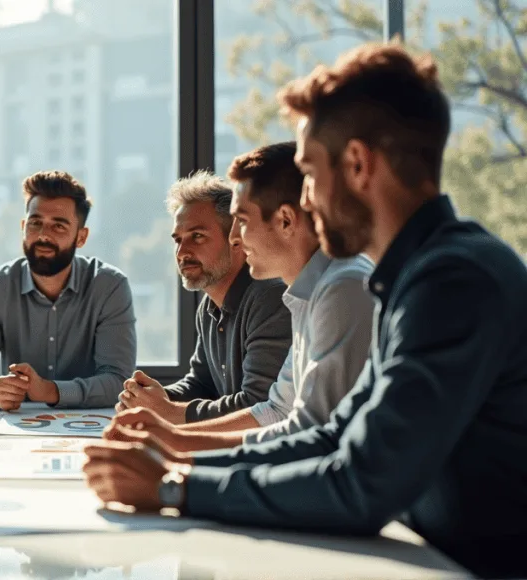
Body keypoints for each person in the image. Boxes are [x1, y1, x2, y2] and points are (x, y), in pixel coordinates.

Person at [82, 42, 527, 579]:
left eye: (311, 174)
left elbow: (363, 482)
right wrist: (179, 462)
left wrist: (175, 486)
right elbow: (331, 435)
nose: (307, 202)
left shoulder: (453, 281)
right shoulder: (411, 278)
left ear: (359, 164)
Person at [108, 142, 373, 452]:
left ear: (286, 221)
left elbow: (308, 432)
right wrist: (164, 418)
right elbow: (277, 412)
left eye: (242, 222)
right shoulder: (304, 295)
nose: (236, 237)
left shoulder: (338, 289)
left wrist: (177, 442)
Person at [0, 170, 136, 409]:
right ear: (23, 226)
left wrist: (50, 391)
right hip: (14, 427)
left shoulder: (110, 287)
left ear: (81, 237)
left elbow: (118, 381)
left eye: (58, 226)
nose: (43, 236)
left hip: (91, 429)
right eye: (35, 223)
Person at [116, 172, 291, 423]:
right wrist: (152, 398)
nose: (182, 252)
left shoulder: (270, 298)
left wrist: (166, 410)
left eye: (197, 236)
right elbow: (201, 384)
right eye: (178, 239)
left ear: (237, 241)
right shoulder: (209, 306)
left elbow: (258, 406)